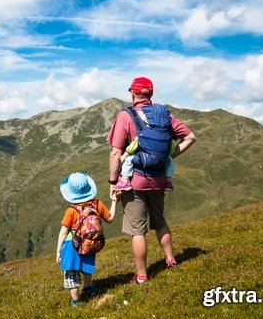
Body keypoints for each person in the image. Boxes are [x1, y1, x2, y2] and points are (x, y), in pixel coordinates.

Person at [107, 76, 196, 284]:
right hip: (159, 180)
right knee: (160, 220)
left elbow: (115, 152)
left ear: (132, 93)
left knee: (137, 230)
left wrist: (113, 182)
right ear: (151, 94)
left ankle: (142, 276)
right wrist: (167, 157)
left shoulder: (125, 116)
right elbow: (191, 137)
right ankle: (171, 260)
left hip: (134, 183)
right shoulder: (164, 114)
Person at [56, 172, 117, 306]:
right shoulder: (97, 204)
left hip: (71, 245)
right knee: (87, 268)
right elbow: (110, 218)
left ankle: (76, 301)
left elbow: (63, 232)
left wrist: (58, 251)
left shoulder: (71, 210)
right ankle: (88, 288)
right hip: (90, 242)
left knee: (71, 273)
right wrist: (114, 201)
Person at [113, 137, 178, 192]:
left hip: (146, 159)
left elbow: (134, 145)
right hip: (162, 159)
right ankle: (168, 181)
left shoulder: (145, 132)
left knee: (128, 159)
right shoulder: (167, 135)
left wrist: (126, 154)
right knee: (170, 161)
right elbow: (172, 149)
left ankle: (125, 180)